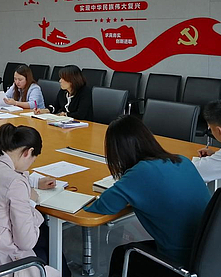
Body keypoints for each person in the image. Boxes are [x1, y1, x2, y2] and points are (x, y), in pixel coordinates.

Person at [85, 115, 210, 277]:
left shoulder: (139, 173)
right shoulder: (182, 160)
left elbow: (104, 206)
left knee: (121, 255)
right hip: (207, 253)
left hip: (179, 262)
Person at [0, 123, 65, 277]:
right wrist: (31, 202)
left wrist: (33, 182)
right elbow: (26, 242)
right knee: (56, 273)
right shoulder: (15, 183)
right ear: (28, 152)